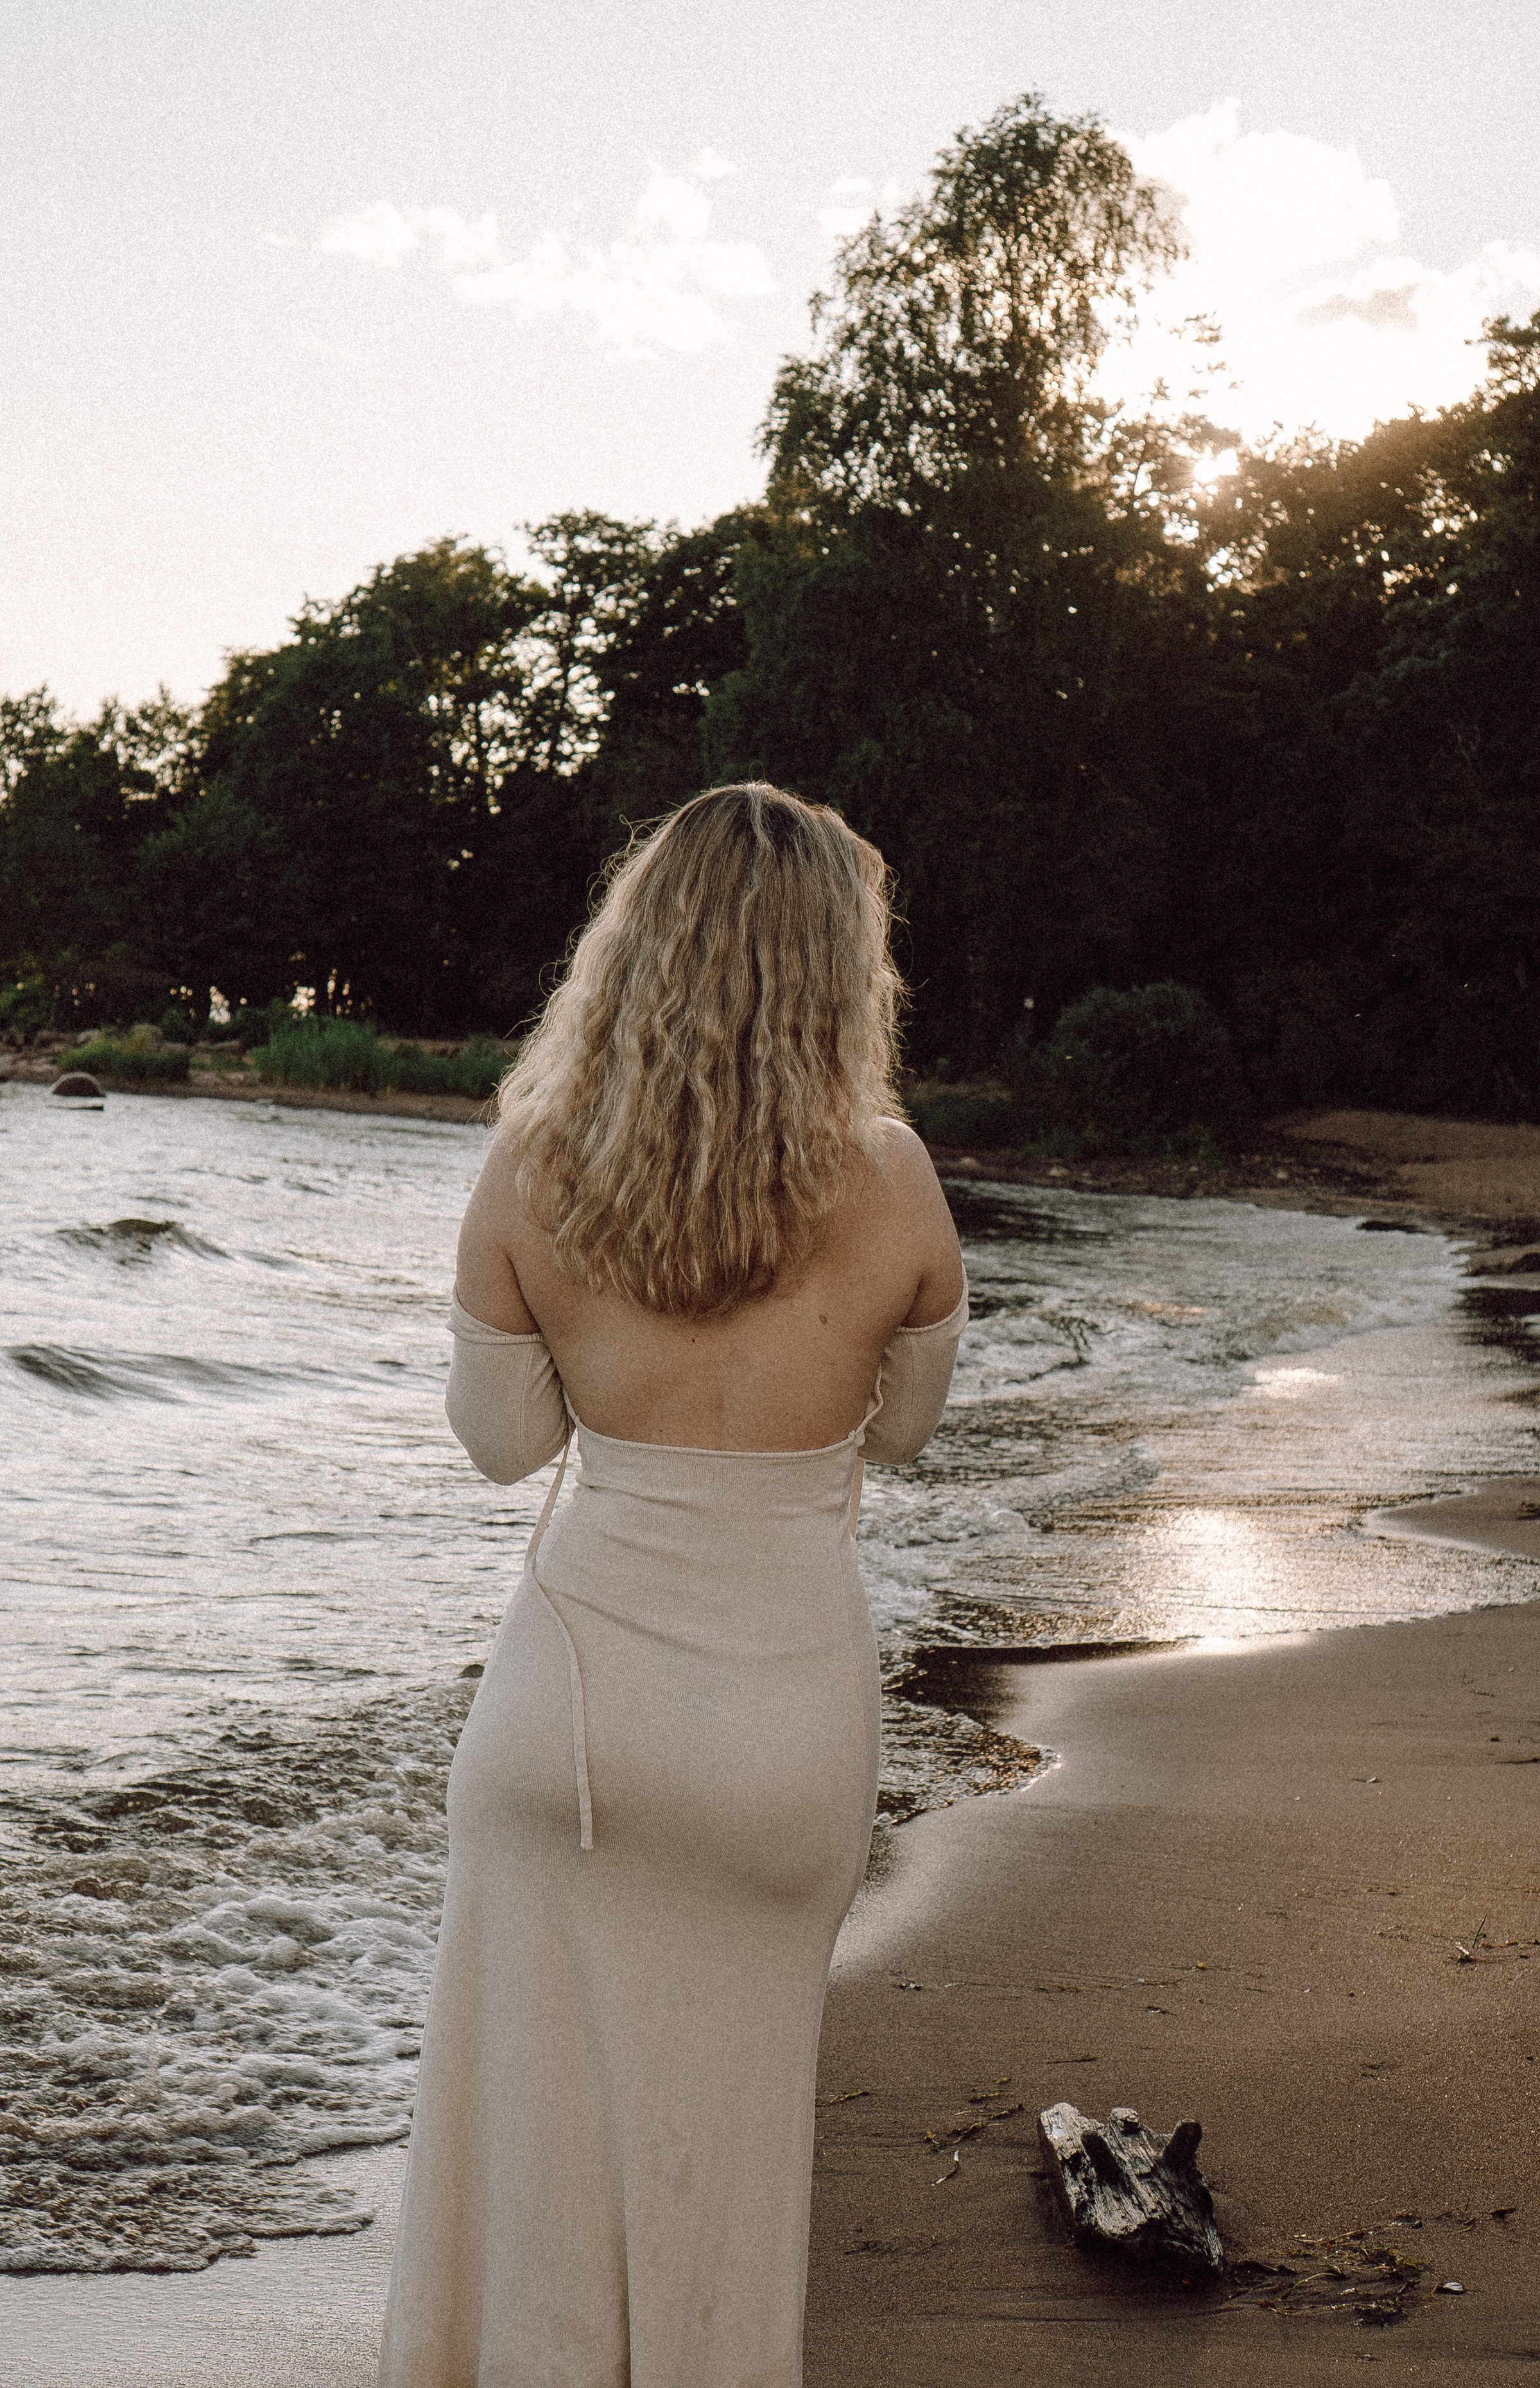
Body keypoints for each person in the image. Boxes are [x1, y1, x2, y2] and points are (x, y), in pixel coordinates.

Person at [378, 781, 967, 2388]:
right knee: (732, 2142)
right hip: (777, 1733)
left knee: (528, 2149)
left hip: (568, 1732)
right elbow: (902, 1433)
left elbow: (505, 1447)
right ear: (844, 969)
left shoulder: (532, 1168)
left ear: (630, 949)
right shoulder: (897, 1179)